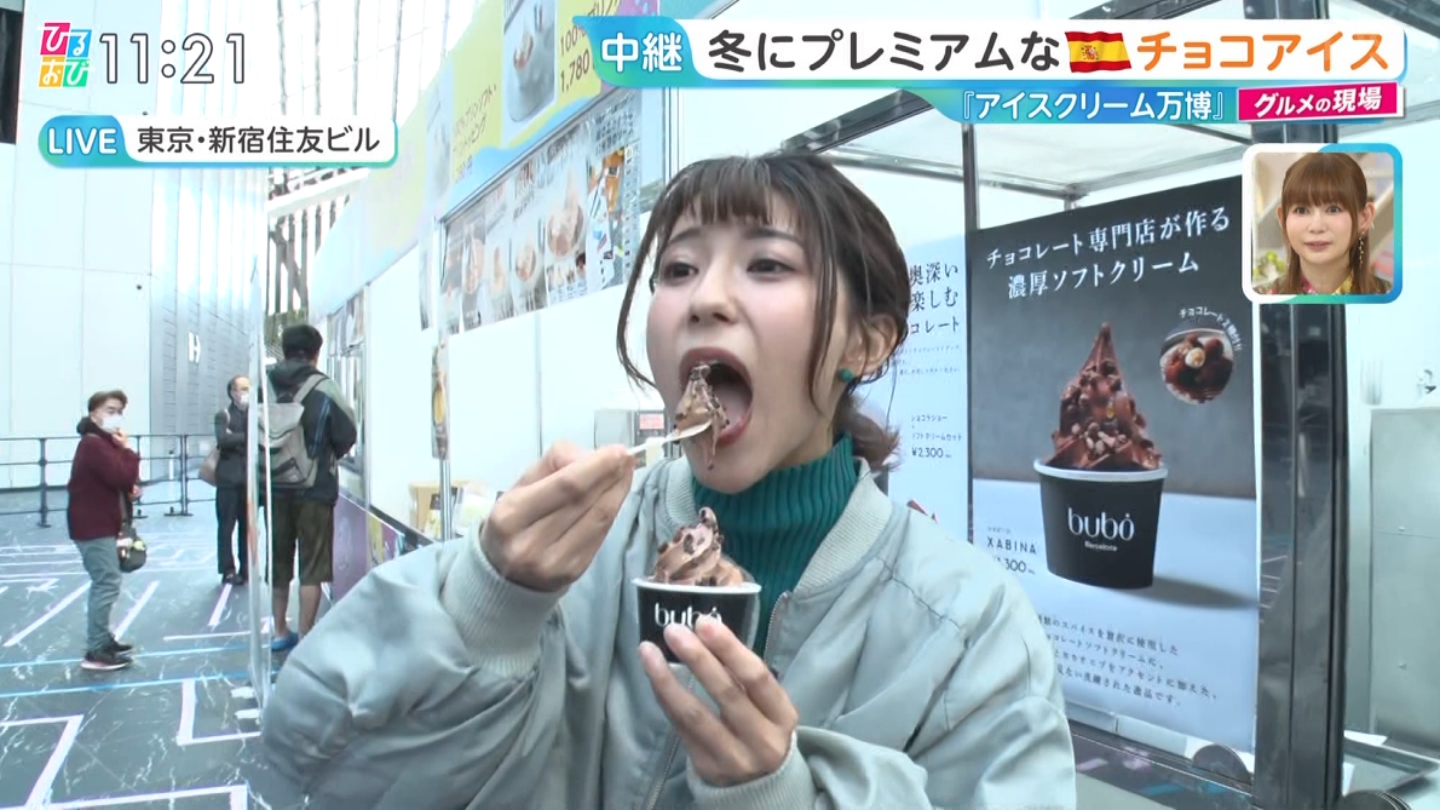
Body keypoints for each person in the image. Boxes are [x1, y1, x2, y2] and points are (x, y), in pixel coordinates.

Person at [260, 155, 1076, 808]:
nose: (704, 298)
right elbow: (321, 766)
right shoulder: (573, 567)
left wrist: (780, 796)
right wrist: (488, 610)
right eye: (679, 268)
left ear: (865, 344)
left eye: (767, 264)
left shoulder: (967, 626)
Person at [266, 324, 357, 653]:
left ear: (284, 349)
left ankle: (279, 630)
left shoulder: (265, 385)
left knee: (278, 563)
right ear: (316, 353)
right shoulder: (324, 387)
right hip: (315, 488)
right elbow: (347, 433)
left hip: (273, 487)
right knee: (312, 567)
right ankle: (306, 635)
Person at [66, 390, 141, 672]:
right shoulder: (94, 444)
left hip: (103, 523)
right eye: (110, 410)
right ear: (94, 413)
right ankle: (96, 649)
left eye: (119, 411)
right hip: (93, 525)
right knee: (106, 581)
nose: (116, 416)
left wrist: (130, 487)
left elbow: (120, 479)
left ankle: (102, 639)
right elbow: (120, 474)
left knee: (107, 581)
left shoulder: (104, 443)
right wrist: (128, 450)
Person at [1259, 152, 1391, 296]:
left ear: (1364, 218)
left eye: (1333, 210)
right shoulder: (1260, 298)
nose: (1316, 227)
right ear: (1283, 218)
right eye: (1301, 210)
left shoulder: (1391, 297)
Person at [215, 375, 251, 586]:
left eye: (248, 388)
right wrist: (246, 437)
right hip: (228, 481)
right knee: (226, 526)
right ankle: (227, 570)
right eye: (242, 389)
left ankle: (247, 568)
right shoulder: (224, 415)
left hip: (249, 482)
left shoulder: (254, 414)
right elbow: (223, 439)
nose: (245, 393)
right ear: (232, 392)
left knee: (247, 527)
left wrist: (235, 437)